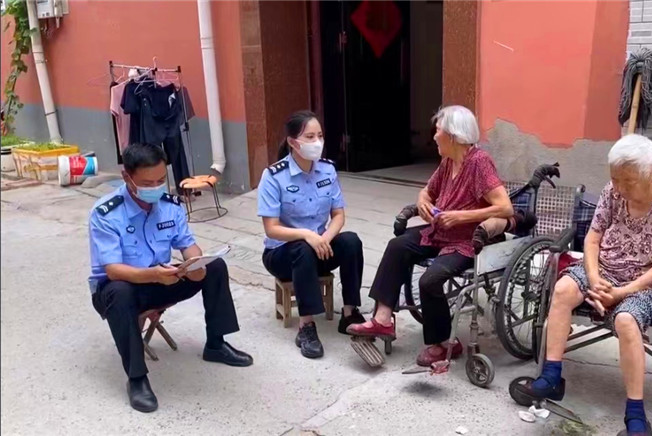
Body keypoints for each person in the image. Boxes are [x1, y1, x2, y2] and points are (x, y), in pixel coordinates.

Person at [515, 134, 652, 436]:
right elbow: (593, 238)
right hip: (603, 269)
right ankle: (552, 376)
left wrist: (621, 292)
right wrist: (595, 279)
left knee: (625, 320)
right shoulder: (613, 191)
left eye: (628, 182)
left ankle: (636, 414)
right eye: (615, 180)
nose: (620, 189)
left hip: (644, 282)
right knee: (563, 289)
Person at [88, 143, 253, 414]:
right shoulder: (106, 213)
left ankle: (216, 344)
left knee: (215, 267)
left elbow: (188, 245)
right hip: (119, 288)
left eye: (161, 180)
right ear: (126, 176)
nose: (155, 187)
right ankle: (137, 379)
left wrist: (196, 264)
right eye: (147, 183)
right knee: (120, 292)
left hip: (160, 278)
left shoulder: (169, 205)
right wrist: (153, 275)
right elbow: (113, 270)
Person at [347, 105, 513, 366]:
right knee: (398, 246)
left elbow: (505, 207)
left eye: (438, 131)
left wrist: (460, 216)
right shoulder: (448, 162)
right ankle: (382, 320)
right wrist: (423, 202)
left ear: (453, 136)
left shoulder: (479, 162)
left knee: (430, 280)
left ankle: (445, 343)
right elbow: (427, 191)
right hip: (441, 232)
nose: (434, 136)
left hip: (468, 240)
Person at [258, 110, 365, 359]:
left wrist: (324, 239)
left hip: (319, 248)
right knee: (302, 247)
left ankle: (349, 313)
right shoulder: (273, 176)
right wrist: (308, 235)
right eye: (309, 137)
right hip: (282, 253)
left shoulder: (327, 170)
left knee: (351, 241)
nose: (317, 142)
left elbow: (338, 215)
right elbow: (271, 228)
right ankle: (306, 326)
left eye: (320, 135)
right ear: (292, 142)